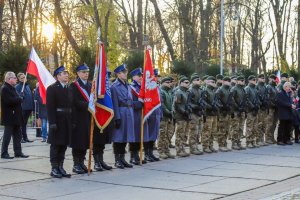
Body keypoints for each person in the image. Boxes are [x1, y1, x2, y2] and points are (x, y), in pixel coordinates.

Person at [46, 66, 72, 178]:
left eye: (67, 73)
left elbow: (72, 106)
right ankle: (54, 168)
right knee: (56, 145)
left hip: (67, 120)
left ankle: (61, 166)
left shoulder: (69, 88)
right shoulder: (52, 88)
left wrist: (73, 121)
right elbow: (50, 107)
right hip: (57, 120)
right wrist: (52, 122)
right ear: (58, 76)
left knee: (64, 145)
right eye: (63, 73)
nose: (66, 75)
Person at [110, 64, 134, 169]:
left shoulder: (127, 85)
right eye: (123, 72)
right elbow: (115, 103)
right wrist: (117, 118)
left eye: (126, 72)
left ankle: (123, 159)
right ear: (118, 74)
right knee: (118, 138)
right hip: (120, 112)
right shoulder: (114, 87)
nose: (125, 74)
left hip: (129, 112)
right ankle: (117, 160)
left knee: (125, 136)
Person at [69, 64, 91, 174]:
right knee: (78, 142)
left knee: (85, 142)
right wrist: (88, 104)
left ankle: (82, 163)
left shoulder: (91, 85)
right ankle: (76, 164)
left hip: (87, 117)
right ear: (78, 73)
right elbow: (74, 102)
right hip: (78, 117)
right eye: (83, 72)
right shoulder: (74, 86)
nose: (86, 74)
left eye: (87, 72)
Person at [1, 71, 29, 159]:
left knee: (18, 135)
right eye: (14, 78)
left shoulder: (12, 88)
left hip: (15, 116)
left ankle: (18, 152)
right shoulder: (5, 88)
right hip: (9, 116)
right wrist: (19, 98)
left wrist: (21, 97)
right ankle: (4, 153)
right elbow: (9, 101)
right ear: (9, 79)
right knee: (7, 136)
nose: (16, 79)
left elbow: (16, 99)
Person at [129, 67, 148, 165]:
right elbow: (129, 102)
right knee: (134, 136)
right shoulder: (131, 87)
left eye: (142, 75)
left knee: (140, 135)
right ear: (133, 77)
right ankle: (133, 156)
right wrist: (139, 104)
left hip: (141, 114)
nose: (141, 77)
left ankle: (138, 155)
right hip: (134, 114)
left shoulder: (142, 87)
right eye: (139, 76)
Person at [173, 76, 191, 157]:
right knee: (180, 133)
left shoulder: (186, 92)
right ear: (181, 83)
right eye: (186, 82)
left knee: (184, 133)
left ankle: (182, 148)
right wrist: (184, 112)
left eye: (188, 83)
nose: (188, 84)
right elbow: (177, 105)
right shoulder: (178, 92)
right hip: (180, 116)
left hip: (186, 116)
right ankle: (179, 150)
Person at [158, 77, 176, 159]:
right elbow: (162, 105)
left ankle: (167, 150)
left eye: (170, 82)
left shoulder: (169, 92)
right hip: (163, 116)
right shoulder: (161, 91)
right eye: (167, 82)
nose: (169, 83)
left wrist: (172, 112)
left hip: (169, 116)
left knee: (168, 135)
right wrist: (168, 112)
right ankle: (161, 151)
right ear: (163, 83)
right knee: (162, 135)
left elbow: (172, 104)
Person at [187, 73, 204, 155]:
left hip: (199, 113)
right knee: (193, 131)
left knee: (198, 131)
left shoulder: (200, 90)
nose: (199, 81)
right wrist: (196, 107)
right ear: (192, 81)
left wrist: (202, 106)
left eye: (199, 79)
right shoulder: (190, 90)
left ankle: (196, 146)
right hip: (193, 113)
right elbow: (188, 103)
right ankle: (192, 148)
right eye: (197, 80)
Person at [202, 76, 220, 153]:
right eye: (212, 82)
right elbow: (203, 102)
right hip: (208, 113)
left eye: (214, 82)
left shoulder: (213, 91)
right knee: (207, 131)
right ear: (208, 82)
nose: (214, 83)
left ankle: (210, 145)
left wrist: (216, 107)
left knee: (213, 131)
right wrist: (210, 107)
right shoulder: (205, 91)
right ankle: (205, 146)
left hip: (214, 114)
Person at [15, 72, 34, 143]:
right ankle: (21, 138)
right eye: (22, 78)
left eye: (24, 77)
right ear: (19, 79)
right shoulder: (18, 86)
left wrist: (32, 107)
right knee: (21, 124)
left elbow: (30, 96)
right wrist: (20, 95)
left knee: (25, 124)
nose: (24, 79)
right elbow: (17, 97)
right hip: (22, 108)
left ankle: (25, 137)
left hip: (28, 108)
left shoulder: (27, 86)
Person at [215, 76, 232, 152]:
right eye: (226, 81)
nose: (228, 82)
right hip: (222, 112)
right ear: (223, 82)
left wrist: (229, 109)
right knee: (222, 129)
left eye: (229, 81)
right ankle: (221, 145)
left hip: (227, 112)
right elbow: (217, 101)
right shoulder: (220, 90)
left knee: (227, 129)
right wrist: (222, 108)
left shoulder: (229, 90)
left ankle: (224, 143)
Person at [230, 76, 247, 150]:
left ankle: (238, 142)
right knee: (235, 128)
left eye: (243, 80)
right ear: (237, 81)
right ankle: (234, 143)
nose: (243, 81)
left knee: (240, 128)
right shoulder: (234, 89)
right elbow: (231, 99)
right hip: (236, 111)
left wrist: (244, 110)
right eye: (241, 80)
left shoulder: (243, 89)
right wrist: (237, 107)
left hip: (242, 111)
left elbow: (245, 100)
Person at [245, 75, 260, 148]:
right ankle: (248, 142)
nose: (255, 81)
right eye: (253, 80)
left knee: (255, 127)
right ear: (249, 80)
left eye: (255, 80)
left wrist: (257, 106)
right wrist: (252, 106)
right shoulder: (247, 88)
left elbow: (257, 99)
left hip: (255, 110)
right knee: (249, 127)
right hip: (250, 110)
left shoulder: (255, 89)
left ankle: (253, 141)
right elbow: (246, 99)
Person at [265, 74, 278, 144]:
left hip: (276, 108)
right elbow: (268, 98)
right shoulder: (268, 87)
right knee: (269, 123)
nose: (274, 80)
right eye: (272, 78)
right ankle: (267, 138)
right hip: (270, 108)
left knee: (274, 123)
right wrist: (272, 105)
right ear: (269, 79)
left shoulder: (275, 87)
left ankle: (272, 137)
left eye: (274, 78)